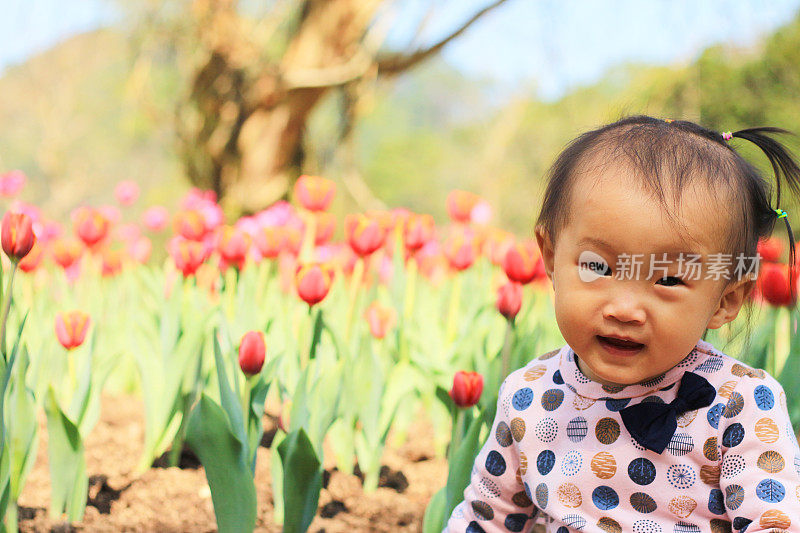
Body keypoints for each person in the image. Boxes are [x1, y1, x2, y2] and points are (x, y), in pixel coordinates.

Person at [446, 116, 800, 532]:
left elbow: (775, 523)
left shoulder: (738, 404)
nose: (625, 309)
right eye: (598, 266)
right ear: (550, 255)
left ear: (727, 299)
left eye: (668, 279)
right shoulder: (528, 395)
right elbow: (486, 520)